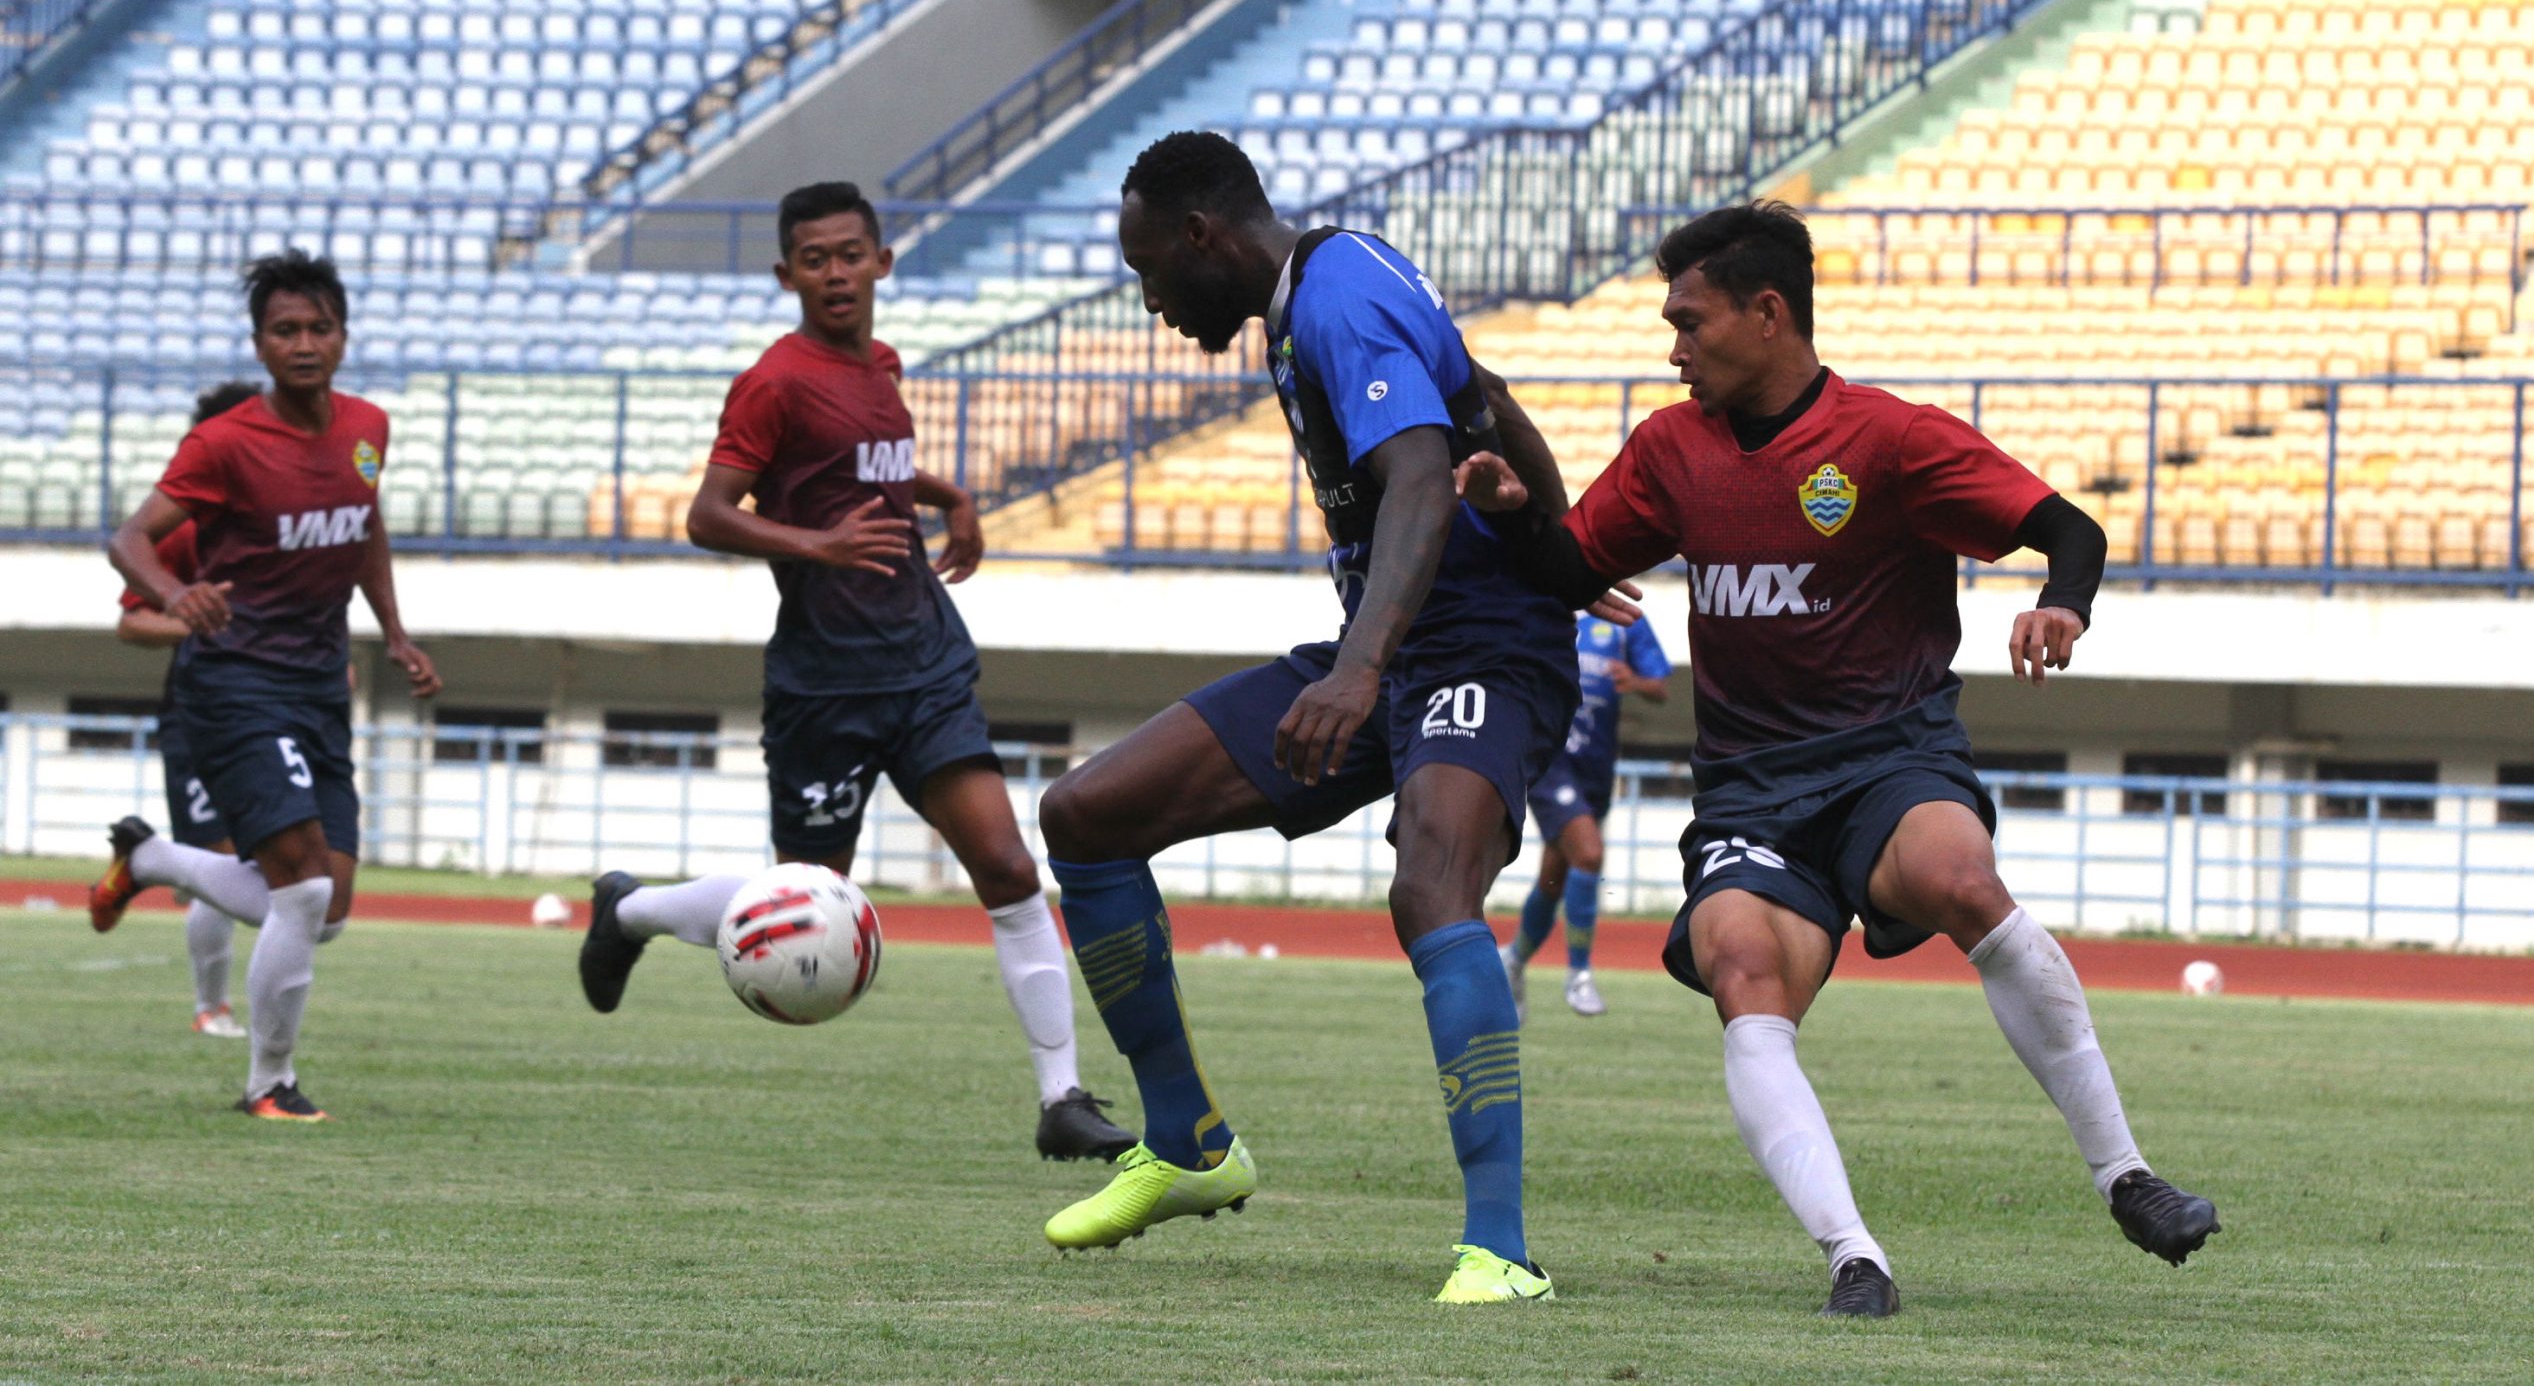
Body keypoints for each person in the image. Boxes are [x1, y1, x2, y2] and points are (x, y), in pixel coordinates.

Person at [1456, 200, 2218, 1317]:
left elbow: (2071, 529)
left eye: (1688, 321)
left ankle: (2127, 1176)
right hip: (1749, 793)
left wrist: (2062, 603)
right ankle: (1853, 1255)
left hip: (1886, 757)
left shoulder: (1892, 439)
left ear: (1768, 315)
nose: (1671, 350)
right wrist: (1514, 516)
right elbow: (1565, 565)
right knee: (1743, 977)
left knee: (1961, 879)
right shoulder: (1670, 450)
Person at [1036, 131, 1581, 1305]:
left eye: (1149, 273)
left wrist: (1369, 665)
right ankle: (1187, 1144)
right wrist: (1559, 540)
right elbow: (1487, 396)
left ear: (1203, 239)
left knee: (1430, 881)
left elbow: (1426, 477)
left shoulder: (1333, 293)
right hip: (1384, 648)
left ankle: (1501, 1250)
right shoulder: (1319, 294)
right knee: (1085, 814)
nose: (1149, 301)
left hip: (1476, 646)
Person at [573, 180, 1133, 1164]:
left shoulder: (879, 363)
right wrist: (816, 548)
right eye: (815, 260)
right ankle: (631, 910)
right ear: (786, 275)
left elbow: (866, 469)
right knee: (806, 895)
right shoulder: (773, 381)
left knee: (1006, 866)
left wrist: (946, 493)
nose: (835, 274)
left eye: (850, 255)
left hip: (922, 663)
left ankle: (1063, 1098)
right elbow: (707, 513)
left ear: (882, 260)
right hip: (823, 684)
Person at [92, 250, 442, 1123]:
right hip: (235, 683)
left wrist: (393, 632)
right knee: (305, 887)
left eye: (319, 326)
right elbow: (129, 540)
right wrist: (179, 594)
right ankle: (266, 1084)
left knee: (329, 905)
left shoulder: (368, 427)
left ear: (343, 335)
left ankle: (152, 860)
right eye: (286, 328)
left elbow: (365, 530)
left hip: (320, 681)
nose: (304, 342)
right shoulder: (225, 443)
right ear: (259, 343)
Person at [113, 379, 263, 1037]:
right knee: (220, 852)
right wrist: (193, 619)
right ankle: (213, 1007)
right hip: (199, 712)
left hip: (277, 705)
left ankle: (160, 863)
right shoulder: (183, 530)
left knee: (284, 865)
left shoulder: (279, 524)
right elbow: (129, 624)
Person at [1504, 608, 1671, 1018]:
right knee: (1590, 854)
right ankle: (1579, 973)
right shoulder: (1546, 605)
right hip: (1548, 755)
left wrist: (1636, 683)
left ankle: (1512, 961)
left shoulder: (1623, 619)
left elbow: (1660, 687)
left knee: (1554, 877)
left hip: (1595, 764)